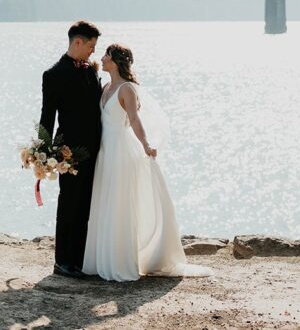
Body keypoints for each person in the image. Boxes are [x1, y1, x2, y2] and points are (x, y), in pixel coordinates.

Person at [82, 43, 212, 280]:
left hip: (121, 151)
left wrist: (146, 145)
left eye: (106, 56)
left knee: (120, 202)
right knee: (106, 201)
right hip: (105, 151)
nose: (101, 58)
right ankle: (104, 257)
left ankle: (122, 260)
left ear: (116, 61)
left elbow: (134, 119)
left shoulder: (127, 89)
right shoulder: (106, 87)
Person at [40, 20, 103, 278]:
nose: (93, 52)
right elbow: (47, 115)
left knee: (86, 205)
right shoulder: (53, 74)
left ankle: (79, 260)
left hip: (96, 150)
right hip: (69, 153)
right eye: (91, 46)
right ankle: (62, 261)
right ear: (78, 42)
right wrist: (45, 152)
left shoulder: (91, 71)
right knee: (69, 204)